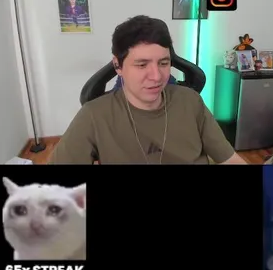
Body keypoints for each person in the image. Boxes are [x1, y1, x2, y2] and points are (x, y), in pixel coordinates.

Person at [49, 16, 247, 165]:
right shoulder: (93, 116)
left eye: (163, 63)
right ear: (118, 65)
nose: (156, 76)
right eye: (142, 65)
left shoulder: (191, 101)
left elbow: (230, 159)